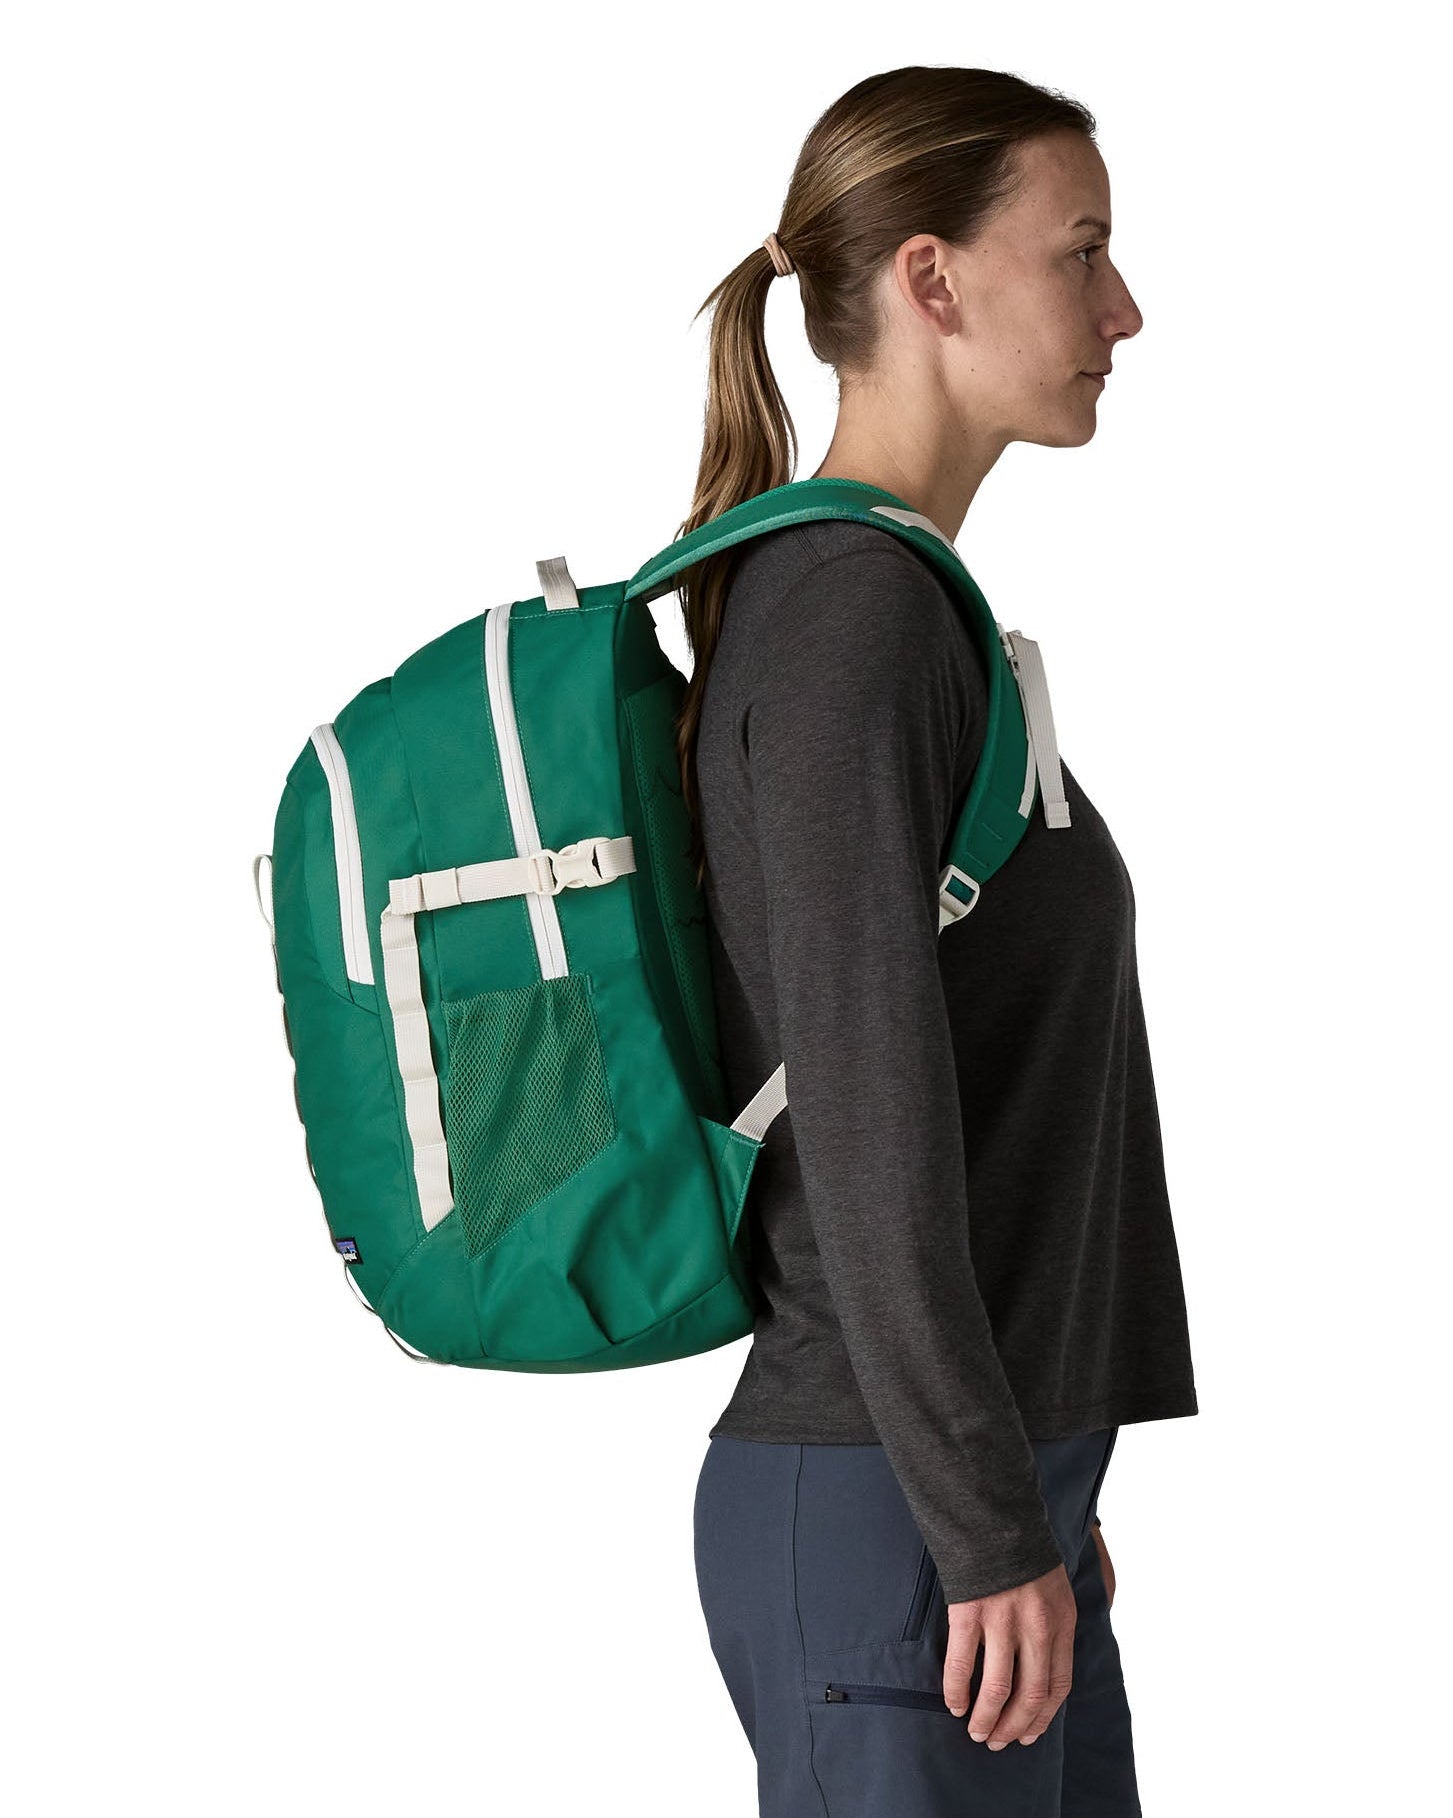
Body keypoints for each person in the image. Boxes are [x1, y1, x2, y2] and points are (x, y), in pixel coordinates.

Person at [673, 66, 1198, 1818]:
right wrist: (978, 1513)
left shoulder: (902, 609)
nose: (1122, 309)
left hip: (977, 1498)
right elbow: (867, 1116)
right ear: (932, 278)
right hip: (898, 1516)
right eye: (1081, 250)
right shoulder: (851, 619)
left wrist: (1033, 1481)